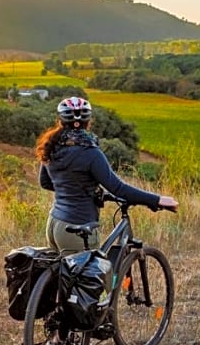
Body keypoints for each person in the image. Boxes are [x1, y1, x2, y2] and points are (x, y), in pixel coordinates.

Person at [36, 96, 178, 256]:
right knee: (92, 278)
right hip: (77, 228)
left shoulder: (52, 146)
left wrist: (73, 191)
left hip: (55, 224)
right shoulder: (91, 152)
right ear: (88, 122)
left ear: (60, 121)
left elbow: (45, 182)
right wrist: (157, 200)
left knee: (63, 277)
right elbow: (118, 188)